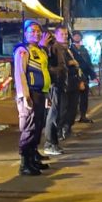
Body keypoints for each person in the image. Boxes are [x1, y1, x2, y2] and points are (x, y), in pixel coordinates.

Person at [13, 20, 50, 175]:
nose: (36, 33)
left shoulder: (40, 51)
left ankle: (33, 158)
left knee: (38, 126)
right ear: (25, 33)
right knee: (29, 127)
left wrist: (47, 93)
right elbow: (20, 73)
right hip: (31, 94)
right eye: (32, 31)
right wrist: (24, 95)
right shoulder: (23, 50)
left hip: (41, 93)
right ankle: (25, 163)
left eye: (38, 31)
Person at [43, 24, 74, 156]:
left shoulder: (63, 49)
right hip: (55, 86)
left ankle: (53, 142)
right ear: (55, 35)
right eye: (62, 34)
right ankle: (50, 143)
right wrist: (59, 71)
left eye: (66, 34)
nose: (65, 36)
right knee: (53, 115)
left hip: (61, 85)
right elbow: (47, 66)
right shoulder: (54, 48)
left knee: (59, 114)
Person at [71, 32, 97, 124]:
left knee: (84, 97)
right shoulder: (70, 50)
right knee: (74, 98)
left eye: (78, 36)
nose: (77, 37)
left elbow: (89, 64)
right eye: (75, 36)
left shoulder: (84, 49)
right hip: (75, 77)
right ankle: (71, 118)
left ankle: (83, 115)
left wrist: (93, 75)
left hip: (85, 76)